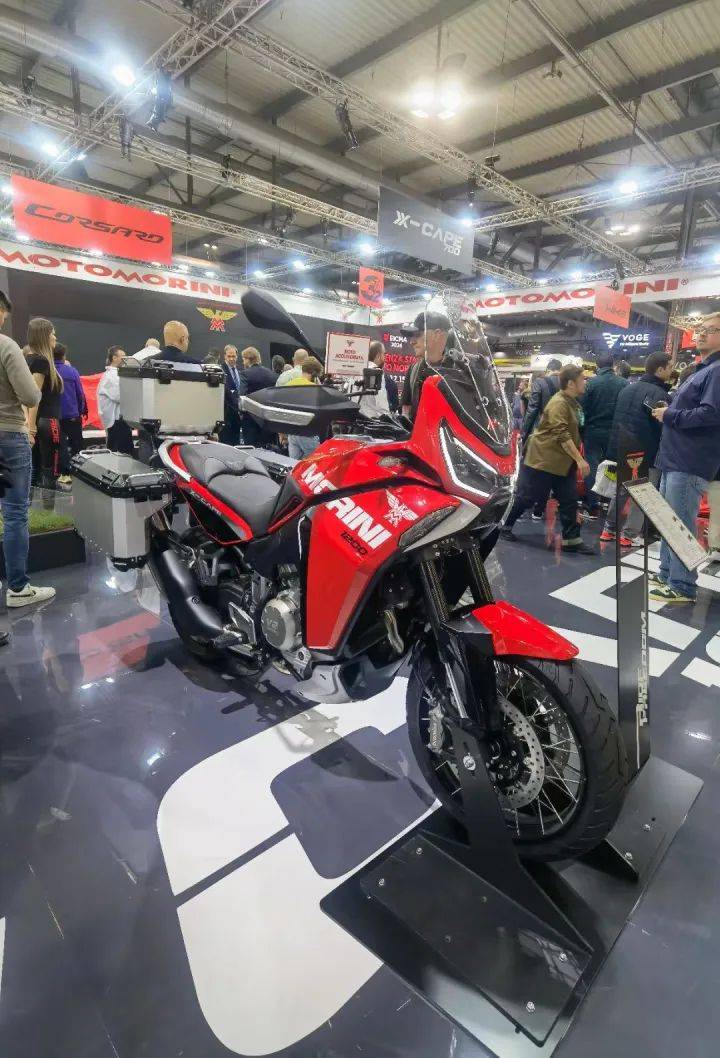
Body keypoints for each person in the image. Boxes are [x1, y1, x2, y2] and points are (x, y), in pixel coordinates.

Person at [650, 313, 720, 603]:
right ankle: (668, 573)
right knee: (670, 521)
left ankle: (682, 584)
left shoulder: (716, 371)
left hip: (689, 460)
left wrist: (671, 415)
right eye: (700, 329)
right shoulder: (703, 370)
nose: (701, 334)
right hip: (676, 458)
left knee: (679, 523)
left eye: (710, 330)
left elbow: (711, 414)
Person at [0, 290, 55, 610]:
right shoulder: (6, 346)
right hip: (8, 434)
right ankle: (18, 587)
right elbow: (31, 397)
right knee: (15, 512)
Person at [500, 365, 592, 553]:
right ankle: (504, 526)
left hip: (561, 461)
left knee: (569, 500)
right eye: (582, 379)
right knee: (527, 497)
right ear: (571, 383)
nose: (585, 382)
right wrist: (580, 459)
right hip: (542, 460)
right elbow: (561, 434)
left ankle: (572, 540)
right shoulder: (559, 403)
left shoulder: (572, 402)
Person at [600, 352, 673, 546]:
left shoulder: (627, 389)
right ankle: (629, 534)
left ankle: (608, 529)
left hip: (623, 447)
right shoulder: (661, 395)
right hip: (647, 451)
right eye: (670, 367)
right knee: (643, 493)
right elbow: (662, 426)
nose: (671, 371)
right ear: (660, 369)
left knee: (621, 489)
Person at [581, 352, 628, 515]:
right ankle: (608, 501)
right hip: (615, 432)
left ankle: (593, 504)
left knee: (592, 466)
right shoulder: (624, 383)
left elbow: (582, 409)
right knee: (611, 466)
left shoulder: (590, 383)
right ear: (613, 365)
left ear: (597, 366)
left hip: (593, 430)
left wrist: (582, 429)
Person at [26, 317, 64, 509]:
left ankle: (30, 510)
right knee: (50, 470)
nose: (55, 337)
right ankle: (48, 512)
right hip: (47, 422)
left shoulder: (29, 360)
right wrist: (31, 428)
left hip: (41, 422)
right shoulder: (41, 362)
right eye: (52, 334)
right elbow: (33, 397)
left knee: (34, 468)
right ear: (44, 336)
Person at [400, 311, 452, 420]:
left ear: (437, 334)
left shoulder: (457, 370)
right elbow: (406, 410)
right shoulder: (413, 370)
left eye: (418, 334)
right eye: (411, 336)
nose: (412, 342)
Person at [54, 342, 87, 482]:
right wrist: (81, 411)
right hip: (72, 416)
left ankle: (64, 474)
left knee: (59, 446)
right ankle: (80, 473)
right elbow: (80, 394)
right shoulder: (72, 371)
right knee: (77, 446)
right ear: (64, 355)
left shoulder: (48, 372)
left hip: (54, 417)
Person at [237, 346, 276, 447]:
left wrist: (240, 413)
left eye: (243, 359)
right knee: (267, 449)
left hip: (250, 420)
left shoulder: (245, 374)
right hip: (267, 420)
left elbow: (242, 396)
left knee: (251, 450)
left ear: (248, 359)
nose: (243, 363)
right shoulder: (271, 374)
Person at [98, 346, 134, 455]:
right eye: (123, 357)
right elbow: (119, 396)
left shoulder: (115, 374)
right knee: (122, 453)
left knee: (121, 452)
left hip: (119, 420)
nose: (125, 359)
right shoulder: (111, 376)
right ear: (114, 358)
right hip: (117, 421)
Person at [286, 356, 323, 459]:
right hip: (307, 433)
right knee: (315, 462)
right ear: (314, 374)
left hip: (292, 433)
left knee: (294, 465)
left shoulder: (289, 384)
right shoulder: (314, 389)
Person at [521, 360, 562, 447]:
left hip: (543, 431)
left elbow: (532, 409)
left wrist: (524, 433)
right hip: (562, 432)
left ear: (548, 370)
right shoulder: (568, 383)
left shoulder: (540, 382)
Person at [359, 341, 399, 418]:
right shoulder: (376, 372)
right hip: (372, 420)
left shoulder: (357, 370)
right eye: (384, 354)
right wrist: (388, 419)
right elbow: (381, 404)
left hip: (357, 419)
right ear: (378, 356)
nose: (385, 358)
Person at [219, 344, 242, 446]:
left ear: (237, 356)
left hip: (237, 415)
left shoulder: (240, 371)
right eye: (229, 356)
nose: (231, 359)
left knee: (236, 444)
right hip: (226, 415)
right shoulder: (220, 370)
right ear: (225, 356)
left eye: (233, 356)